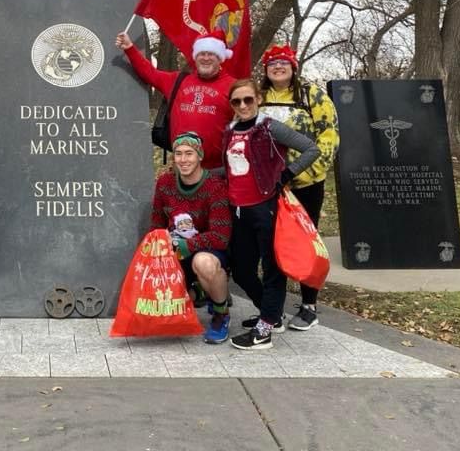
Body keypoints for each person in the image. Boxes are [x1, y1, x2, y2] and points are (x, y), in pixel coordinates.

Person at [223, 78, 319, 350]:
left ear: (258, 99)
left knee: (273, 270)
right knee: (241, 270)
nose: (242, 105)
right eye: (236, 101)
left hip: (266, 207)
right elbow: (231, 169)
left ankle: (264, 330)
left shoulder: (269, 127)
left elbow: (311, 148)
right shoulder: (229, 131)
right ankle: (271, 315)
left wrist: (287, 173)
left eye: (248, 99)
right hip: (239, 209)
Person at [259, 44, 340, 331]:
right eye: (272, 64)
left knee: (305, 241)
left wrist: (305, 173)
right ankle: (273, 308)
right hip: (268, 185)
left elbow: (329, 135)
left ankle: (309, 305)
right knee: (272, 244)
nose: (278, 68)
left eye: (283, 63)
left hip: (304, 183)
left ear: (293, 67)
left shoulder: (312, 94)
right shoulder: (259, 97)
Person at [150, 132, 232, 344]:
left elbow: (220, 236)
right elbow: (156, 223)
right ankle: (198, 293)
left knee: (203, 263)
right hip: (175, 250)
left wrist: (187, 246)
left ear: (199, 156)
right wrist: (159, 243)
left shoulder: (214, 186)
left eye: (189, 153)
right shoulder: (165, 183)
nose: (183, 159)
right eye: (178, 154)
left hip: (207, 250)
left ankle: (221, 314)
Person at [115, 29, 234, 169]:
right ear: (195, 57)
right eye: (202, 53)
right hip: (181, 167)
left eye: (211, 54)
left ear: (220, 58)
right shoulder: (178, 81)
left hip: (216, 170)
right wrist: (129, 47)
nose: (206, 58)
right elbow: (150, 73)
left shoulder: (233, 86)